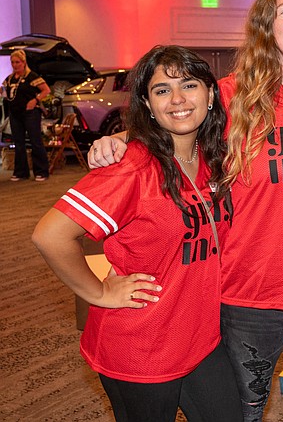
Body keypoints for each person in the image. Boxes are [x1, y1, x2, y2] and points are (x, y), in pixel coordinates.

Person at [88, 0, 283, 422]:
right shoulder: (231, 96)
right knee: (243, 410)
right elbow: (176, 119)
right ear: (267, 22)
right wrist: (123, 138)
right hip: (248, 292)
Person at [31, 46, 241, 422]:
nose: (177, 99)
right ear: (147, 102)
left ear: (210, 95)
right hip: (141, 343)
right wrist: (98, 292)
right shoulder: (131, 166)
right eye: (162, 90)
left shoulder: (212, 156)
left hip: (200, 336)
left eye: (189, 85)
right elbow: (50, 235)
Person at [3, 49, 51, 181]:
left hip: (30, 113)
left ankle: (41, 171)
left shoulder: (32, 76)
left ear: (23, 62)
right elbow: (6, 94)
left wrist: (35, 100)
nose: (15, 65)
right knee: (18, 142)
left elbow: (46, 90)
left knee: (35, 141)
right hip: (15, 114)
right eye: (12, 62)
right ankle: (21, 172)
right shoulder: (10, 79)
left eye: (17, 62)